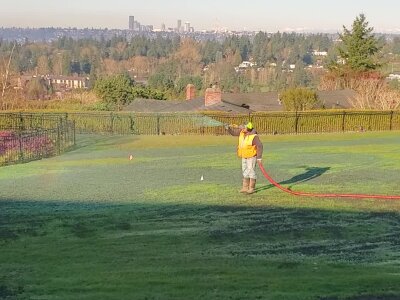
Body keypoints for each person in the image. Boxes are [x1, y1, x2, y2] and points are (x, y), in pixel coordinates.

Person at [226, 122, 263, 194]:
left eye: (244, 127)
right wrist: (228, 128)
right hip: (244, 156)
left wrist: (259, 158)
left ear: (248, 129)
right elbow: (233, 133)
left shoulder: (254, 136)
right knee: (245, 171)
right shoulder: (242, 133)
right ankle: (245, 187)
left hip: (251, 157)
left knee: (251, 171)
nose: (242, 128)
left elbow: (260, 146)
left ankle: (251, 188)